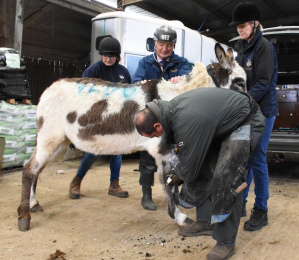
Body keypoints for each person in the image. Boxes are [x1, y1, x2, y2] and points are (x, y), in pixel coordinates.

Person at [135, 87, 266, 260]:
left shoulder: (185, 120)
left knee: (228, 175)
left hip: (245, 121)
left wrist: (177, 175)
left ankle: (225, 242)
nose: (155, 138)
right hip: (222, 124)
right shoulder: (170, 112)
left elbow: (188, 170)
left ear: (157, 125)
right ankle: (205, 222)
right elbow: (184, 155)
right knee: (202, 164)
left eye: (153, 134)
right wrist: (178, 167)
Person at [229, 1, 279, 231]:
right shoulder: (240, 48)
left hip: (263, 111)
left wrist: (242, 100)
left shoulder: (264, 47)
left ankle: (262, 210)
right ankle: (241, 203)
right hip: (246, 110)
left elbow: (263, 82)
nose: (240, 29)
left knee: (257, 157)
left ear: (255, 24)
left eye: (243, 25)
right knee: (243, 157)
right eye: (238, 26)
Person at [132, 25, 191, 210]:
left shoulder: (181, 62)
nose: (165, 49)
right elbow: (135, 82)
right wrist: (141, 83)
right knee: (148, 157)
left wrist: (181, 79)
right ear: (155, 43)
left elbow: (190, 79)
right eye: (161, 45)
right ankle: (146, 194)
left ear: (174, 45)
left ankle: (174, 193)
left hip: (174, 118)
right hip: (152, 117)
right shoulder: (145, 63)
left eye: (169, 45)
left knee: (175, 156)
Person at [69, 37, 131, 200]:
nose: (108, 59)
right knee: (94, 151)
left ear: (117, 56)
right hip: (96, 119)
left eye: (111, 56)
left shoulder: (123, 73)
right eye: (105, 55)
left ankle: (114, 185)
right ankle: (77, 181)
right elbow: (81, 96)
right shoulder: (92, 71)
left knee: (117, 152)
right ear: (101, 55)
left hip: (116, 120)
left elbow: (128, 96)